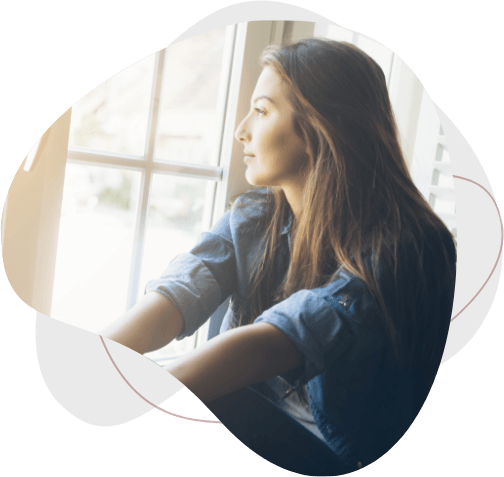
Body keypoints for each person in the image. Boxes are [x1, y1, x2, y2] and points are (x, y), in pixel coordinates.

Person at [100, 38, 457, 475]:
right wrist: (92, 365)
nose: (241, 130)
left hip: (336, 457)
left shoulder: (410, 246)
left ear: (319, 128)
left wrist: (135, 402)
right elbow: (177, 294)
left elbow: (284, 337)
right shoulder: (256, 216)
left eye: (263, 110)